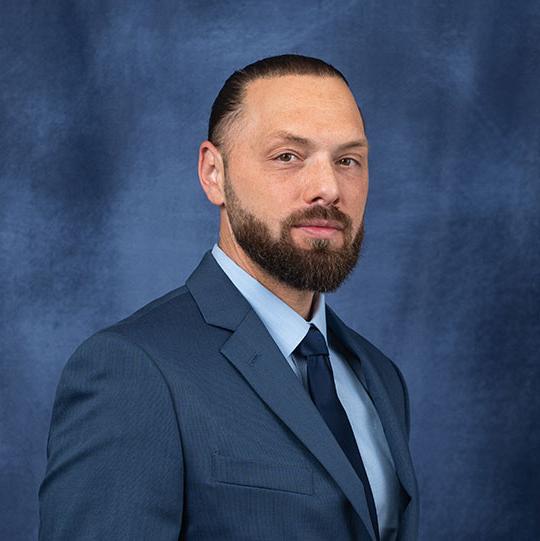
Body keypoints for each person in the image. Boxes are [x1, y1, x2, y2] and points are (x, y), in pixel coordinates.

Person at [38, 54, 419, 541]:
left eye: (348, 161)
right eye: (288, 156)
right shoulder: (133, 370)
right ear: (213, 173)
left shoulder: (380, 377)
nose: (328, 188)